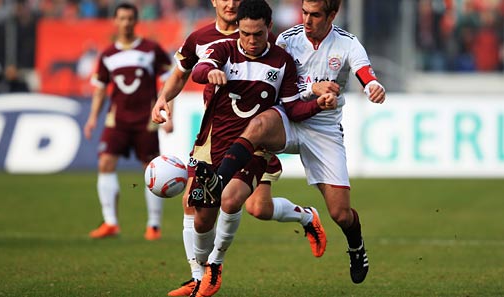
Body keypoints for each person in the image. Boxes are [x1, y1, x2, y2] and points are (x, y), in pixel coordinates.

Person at [195, 0, 386, 288]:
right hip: (288, 119)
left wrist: (373, 87)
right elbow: (288, 96)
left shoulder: (348, 44)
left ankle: (356, 246)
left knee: (340, 214)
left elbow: (365, 73)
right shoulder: (288, 39)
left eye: (315, 15)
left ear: (332, 15)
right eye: (305, 13)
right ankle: (218, 182)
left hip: (323, 128)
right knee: (258, 127)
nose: (307, 20)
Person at [151, 1, 328, 296]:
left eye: (257, 34)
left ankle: (214, 270)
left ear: (267, 29)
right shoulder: (215, 46)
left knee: (233, 201)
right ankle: (198, 277)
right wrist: (176, 91)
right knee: (206, 212)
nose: (250, 39)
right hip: (212, 141)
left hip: (254, 146)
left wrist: (316, 104)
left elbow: (292, 106)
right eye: (245, 33)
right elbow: (194, 70)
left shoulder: (280, 58)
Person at [84, 2, 172, 241]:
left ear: (136, 21)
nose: (126, 23)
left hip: (146, 120)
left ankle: (153, 225)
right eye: (121, 18)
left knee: (152, 172)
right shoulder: (108, 55)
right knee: (105, 164)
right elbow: (100, 89)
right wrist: (92, 118)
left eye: (130, 18)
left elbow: (169, 83)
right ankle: (111, 222)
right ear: (115, 21)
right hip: (118, 120)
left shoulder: (151, 49)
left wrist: (167, 114)